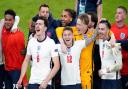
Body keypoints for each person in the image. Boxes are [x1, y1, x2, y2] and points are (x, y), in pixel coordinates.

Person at [17, 16, 60, 89]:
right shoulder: (31, 42)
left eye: (40, 24)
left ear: (45, 28)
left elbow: (57, 65)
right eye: (36, 24)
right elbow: (26, 61)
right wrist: (21, 78)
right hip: (33, 81)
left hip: (45, 83)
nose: (37, 26)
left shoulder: (51, 43)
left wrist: (46, 81)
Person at [1, 9, 27, 89]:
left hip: (16, 71)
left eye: (10, 20)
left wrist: (24, 78)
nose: (7, 22)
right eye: (6, 19)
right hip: (6, 69)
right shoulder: (4, 31)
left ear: (13, 21)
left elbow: (23, 56)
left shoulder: (19, 35)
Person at [98, 19, 122, 89]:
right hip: (104, 79)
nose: (100, 31)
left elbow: (119, 65)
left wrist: (105, 71)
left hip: (114, 80)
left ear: (108, 30)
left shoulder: (115, 45)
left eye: (102, 29)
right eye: (99, 29)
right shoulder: (100, 41)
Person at [111, 6, 128, 89]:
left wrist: (121, 57)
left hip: (124, 70)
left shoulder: (127, 30)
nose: (116, 15)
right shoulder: (110, 29)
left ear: (125, 16)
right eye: (116, 13)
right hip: (111, 70)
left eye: (120, 13)